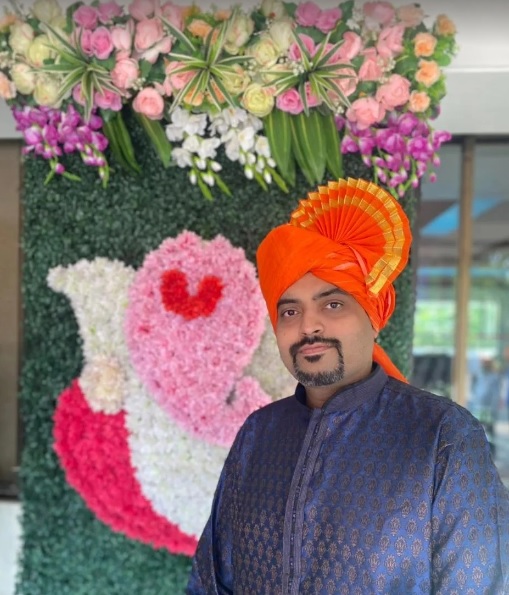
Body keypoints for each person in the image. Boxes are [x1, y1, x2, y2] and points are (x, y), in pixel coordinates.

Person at [187, 178, 509, 594]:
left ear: (373, 318)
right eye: (289, 311)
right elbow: (210, 581)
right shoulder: (258, 434)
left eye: (333, 304)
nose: (309, 325)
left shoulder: (441, 437)